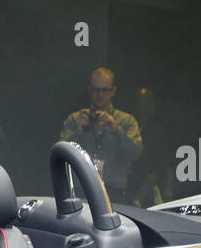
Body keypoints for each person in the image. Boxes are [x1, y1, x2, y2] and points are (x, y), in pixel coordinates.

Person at [59, 67, 143, 199]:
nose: (100, 95)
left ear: (113, 91)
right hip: (81, 189)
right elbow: (60, 155)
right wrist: (77, 132)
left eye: (105, 90)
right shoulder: (75, 119)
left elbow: (136, 153)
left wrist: (116, 131)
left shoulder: (126, 121)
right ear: (89, 90)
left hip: (115, 191)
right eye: (96, 90)